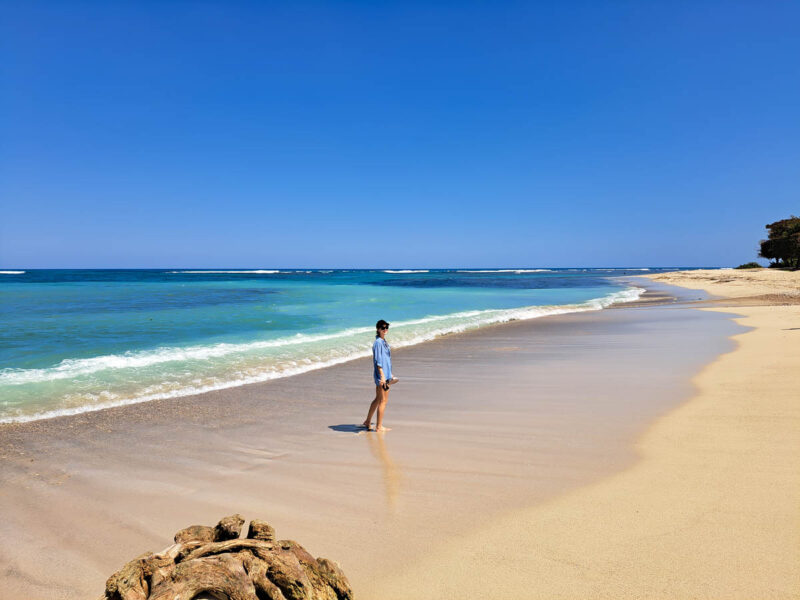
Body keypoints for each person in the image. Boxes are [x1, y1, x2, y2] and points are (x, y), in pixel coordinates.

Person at [363, 319, 398, 432]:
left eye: (386, 327)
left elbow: (386, 359)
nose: (385, 329)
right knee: (383, 401)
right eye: (382, 328)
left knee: (378, 399)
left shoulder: (383, 341)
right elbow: (378, 361)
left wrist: (390, 373)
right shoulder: (378, 342)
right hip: (382, 376)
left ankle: (368, 421)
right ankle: (379, 426)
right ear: (378, 329)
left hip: (386, 375)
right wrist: (383, 376)